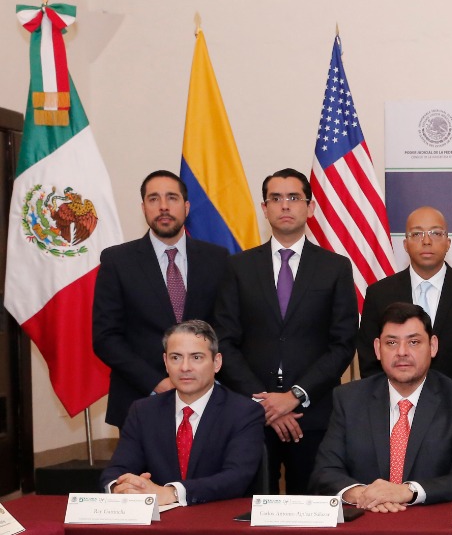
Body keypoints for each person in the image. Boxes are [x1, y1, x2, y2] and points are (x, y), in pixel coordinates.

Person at [214, 168, 358, 494]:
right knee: (250, 511)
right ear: (264, 209)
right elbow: (224, 341)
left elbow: (343, 343)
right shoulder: (238, 267)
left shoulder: (335, 267)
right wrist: (265, 403)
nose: (285, 205)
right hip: (251, 414)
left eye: (294, 197)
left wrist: (295, 396)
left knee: (311, 513)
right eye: (275, 198)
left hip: (313, 414)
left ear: (310, 207)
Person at [312, 303, 452, 510]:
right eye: (391, 343)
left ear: (433, 346)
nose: (402, 352)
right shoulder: (349, 398)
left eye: (414, 342)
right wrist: (364, 494)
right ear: (378, 349)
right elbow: (325, 471)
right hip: (366, 519)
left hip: (429, 523)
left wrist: (407, 491)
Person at [93, 170, 230, 428]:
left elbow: (226, 328)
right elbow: (106, 337)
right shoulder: (117, 261)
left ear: (186, 207)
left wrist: (199, 379)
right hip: (140, 398)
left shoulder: (217, 259)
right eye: (154, 199)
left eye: (172, 198)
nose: (163, 206)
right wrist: (158, 382)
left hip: (206, 400)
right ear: (143, 208)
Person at [100, 320, 261, 505]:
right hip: (159, 520)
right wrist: (121, 488)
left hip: (217, 516)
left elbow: (236, 477)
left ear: (216, 363)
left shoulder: (243, 412)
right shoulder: (143, 411)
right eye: (176, 357)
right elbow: (116, 470)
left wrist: (173, 493)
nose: (185, 367)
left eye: (196, 357)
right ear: (165, 363)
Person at [357, 206, 452, 397]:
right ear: (405, 244)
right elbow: (369, 359)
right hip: (393, 408)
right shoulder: (379, 294)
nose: (427, 241)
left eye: (435, 233)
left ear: (448, 243)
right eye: (417, 234)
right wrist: (396, 404)